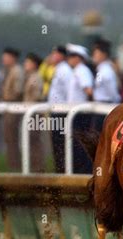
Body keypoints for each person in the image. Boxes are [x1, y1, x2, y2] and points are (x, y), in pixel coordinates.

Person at [66, 43, 94, 173]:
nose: (69, 59)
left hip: (81, 113)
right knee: (75, 144)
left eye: (72, 56)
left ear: (79, 57)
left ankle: (84, 171)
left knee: (80, 145)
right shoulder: (77, 70)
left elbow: (89, 91)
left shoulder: (82, 70)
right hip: (75, 112)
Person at [48, 45, 72, 173]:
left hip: (62, 112)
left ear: (62, 55)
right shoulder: (58, 69)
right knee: (56, 142)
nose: (52, 56)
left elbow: (69, 92)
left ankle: (63, 170)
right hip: (56, 111)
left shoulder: (65, 70)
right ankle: (59, 169)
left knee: (60, 143)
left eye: (55, 53)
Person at [1, 47, 24, 172]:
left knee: (12, 138)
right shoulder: (9, 70)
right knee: (9, 138)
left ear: (12, 58)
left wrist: (8, 98)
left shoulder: (17, 71)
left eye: (6, 57)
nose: (3, 59)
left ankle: (15, 167)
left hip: (13, 107)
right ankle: (13, 166)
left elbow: (18, 91)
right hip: (8, 106)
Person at [23, 52, 45, 172]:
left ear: (34, 64)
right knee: (31, 141)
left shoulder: (36, 77)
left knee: (35, 141)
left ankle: (38, 168)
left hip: (34, 113)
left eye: (28, 62)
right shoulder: (30, 76)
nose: (25, 64)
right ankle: (34, 167)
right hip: (30, 113)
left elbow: (37, 96)